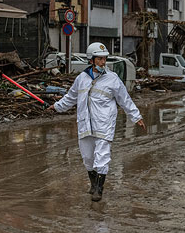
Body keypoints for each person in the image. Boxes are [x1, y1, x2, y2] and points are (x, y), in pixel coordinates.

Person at [48, 42, 146, 202]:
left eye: (104, 59)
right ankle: (93, 184)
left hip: (104, 124)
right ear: (91, 60)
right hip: (85, 123)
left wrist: (136, 117)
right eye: (99, 59)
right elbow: (70, 98)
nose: (103, 62)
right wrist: (56, 107)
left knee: (102, 155)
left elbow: (125, 100)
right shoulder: (82, 79)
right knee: (87, 157)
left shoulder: (112, 79)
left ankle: (99, 190)